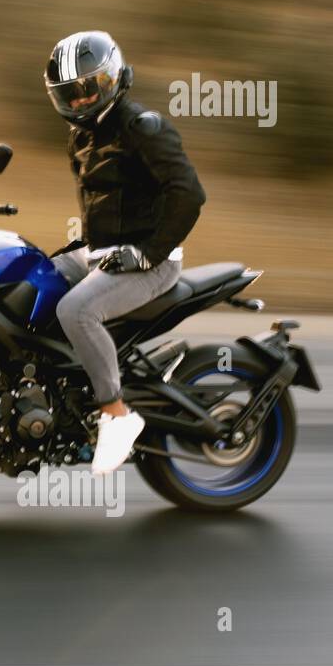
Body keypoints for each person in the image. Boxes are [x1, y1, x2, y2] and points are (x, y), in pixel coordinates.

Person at [43, 31, 206, 475]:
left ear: (111, 80)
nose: (77, 103)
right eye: (67, 95)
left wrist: (149, 253)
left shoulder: (143, 128)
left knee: (77, 310)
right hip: (103, 255)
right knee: (30, 279)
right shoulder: (81, 138)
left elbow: (189, 195)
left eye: (85, 91)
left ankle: (116, 415)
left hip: (151, 262)